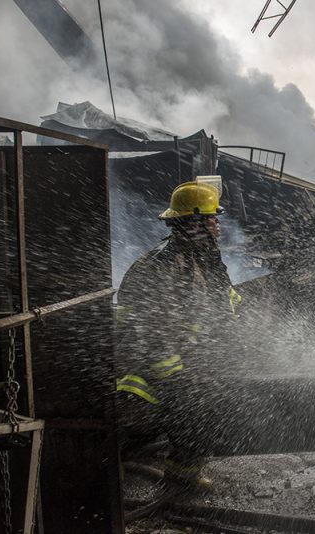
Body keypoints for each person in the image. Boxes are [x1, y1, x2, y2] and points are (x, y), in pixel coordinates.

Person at [114, 176, 241, 491]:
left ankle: (180, 474)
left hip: (178, 355)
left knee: (207, 398)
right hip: (145, 366)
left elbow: (222, 298)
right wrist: (180, 377)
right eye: (211, 219)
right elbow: (151, 331)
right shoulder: (163, 265)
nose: (217, 225)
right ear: (193, 223)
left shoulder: (200, 255)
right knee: (196, 409)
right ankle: (169, 478)